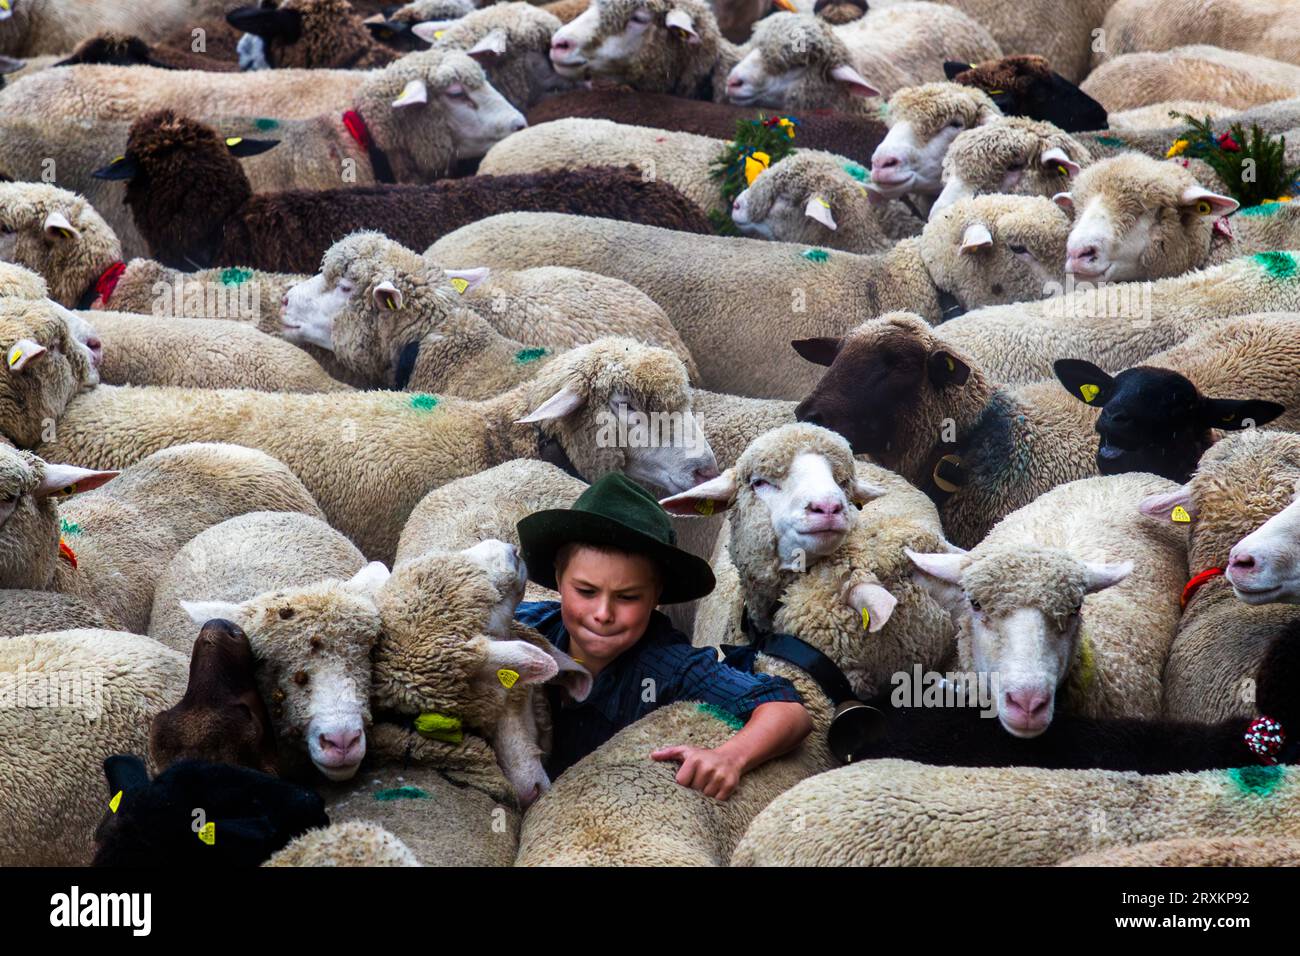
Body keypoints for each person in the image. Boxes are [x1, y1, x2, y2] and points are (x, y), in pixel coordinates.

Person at [514, 472, 812, 800]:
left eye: (627, 597)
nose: (603, 613)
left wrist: (730, 757)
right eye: (586, 591)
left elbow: (787, 709)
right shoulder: (528, 630)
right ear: (558, 578)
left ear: (657, 595)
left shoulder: (670, 667)